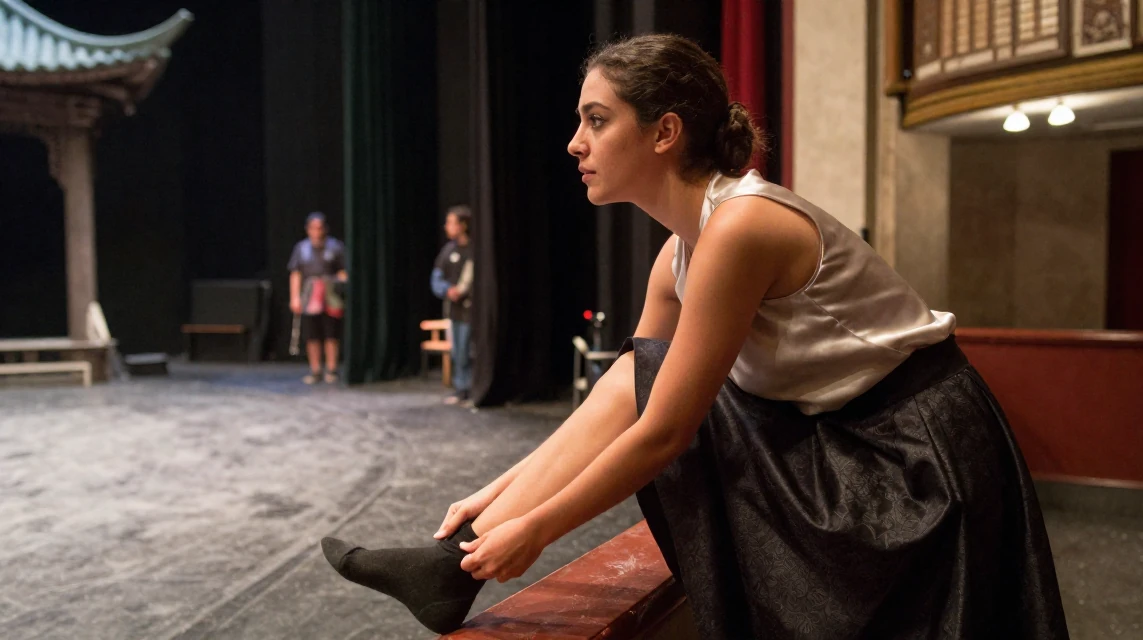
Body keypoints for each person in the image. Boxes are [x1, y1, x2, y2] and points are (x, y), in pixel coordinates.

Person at [321, 34, 1068, 638]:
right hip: (838, 433)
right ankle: (449, 564)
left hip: (909, 457)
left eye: (597, 119)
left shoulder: (741, 226)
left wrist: (537, 530)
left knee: (661, 392)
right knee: (637, 369)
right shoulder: (677, 254)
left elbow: (665, 431)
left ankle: (455, 568)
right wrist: (495, 499)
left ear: (665, 132)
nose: (575, 143)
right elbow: (624, 395)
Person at [288, 212, 347, 385]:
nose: (317, 232)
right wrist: (295, 297)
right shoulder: (301, 248)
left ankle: (332, 369)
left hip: (330, 295)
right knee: (312, 335)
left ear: (325, 229)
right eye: (313, 228)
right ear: (308, 230)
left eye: (320, 228)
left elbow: (344, 271)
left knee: (331, 334)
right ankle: (315, 370)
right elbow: (295, 273)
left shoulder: (335, 247)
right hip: (310, 296)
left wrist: (337, 282)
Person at [430, 206, 474, 405]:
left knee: (468, 349)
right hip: (453, 311)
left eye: (451, 222)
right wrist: (447, 290)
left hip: (470, 310)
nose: (446, 226)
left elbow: (473, 279)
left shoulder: (474, 250)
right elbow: (436, 278)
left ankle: (471, 388)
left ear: (462, 225)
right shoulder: (448, 250)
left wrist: (462, 291)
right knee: (457, 351)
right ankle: (461, 388)